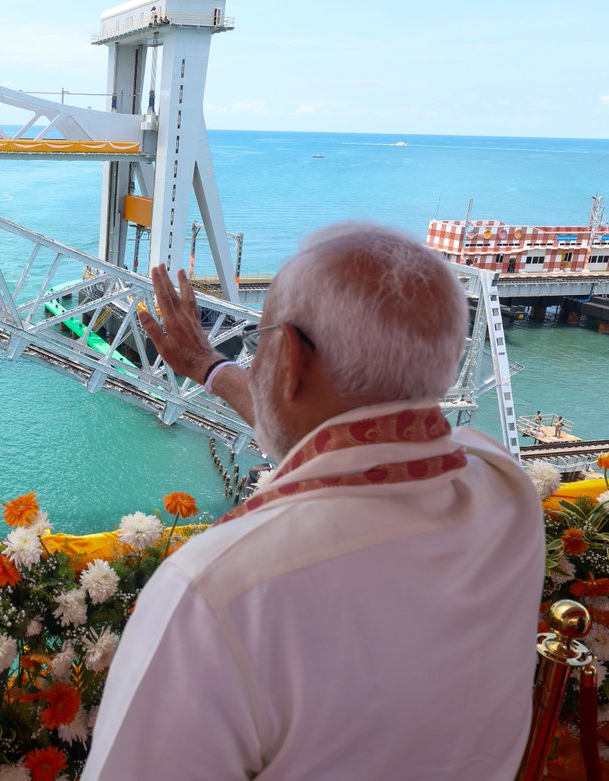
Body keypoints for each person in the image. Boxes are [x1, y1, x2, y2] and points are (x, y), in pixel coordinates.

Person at [83, 223, 543, 780]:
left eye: (262, 339)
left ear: (294, 360)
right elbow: (340, 441)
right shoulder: (505, 494)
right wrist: (211, 368)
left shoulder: (219, 594)